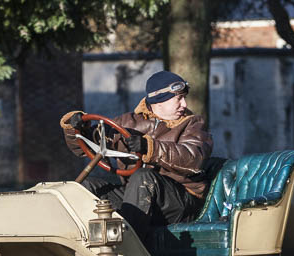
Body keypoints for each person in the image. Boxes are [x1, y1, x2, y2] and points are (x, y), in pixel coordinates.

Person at [60, 71, 213, 241]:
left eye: (184, 98)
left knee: (143, 177)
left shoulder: (193, 124)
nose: (184, 104)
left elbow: (194, 158)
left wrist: (150, 147)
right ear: (159, 100)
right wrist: (77, 129)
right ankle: (78, 243)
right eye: (178, 98)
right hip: (137, 196)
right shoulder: (127, 123)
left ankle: (129, 247)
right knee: (88, 186)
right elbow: (84, 147)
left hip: (182, 201)